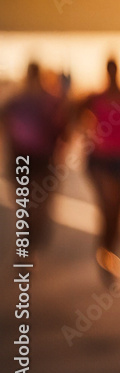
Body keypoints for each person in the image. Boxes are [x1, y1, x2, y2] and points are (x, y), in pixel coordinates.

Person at [74, 57, 120, 286]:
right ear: (106, 71)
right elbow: (72, 114)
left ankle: (111, 253)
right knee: (107, 207)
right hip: (100, 160)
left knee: (118, 213)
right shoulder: (95, 98)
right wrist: (84, 135)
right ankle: (103, 252)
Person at [1, 61, 71, 255]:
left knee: (37, 206)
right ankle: (28, 246)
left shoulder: (48, 100)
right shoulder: (16, 102)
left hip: (42, 161)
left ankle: (32, 243)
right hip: (23, 160)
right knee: (28, 206)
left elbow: (63, 129)